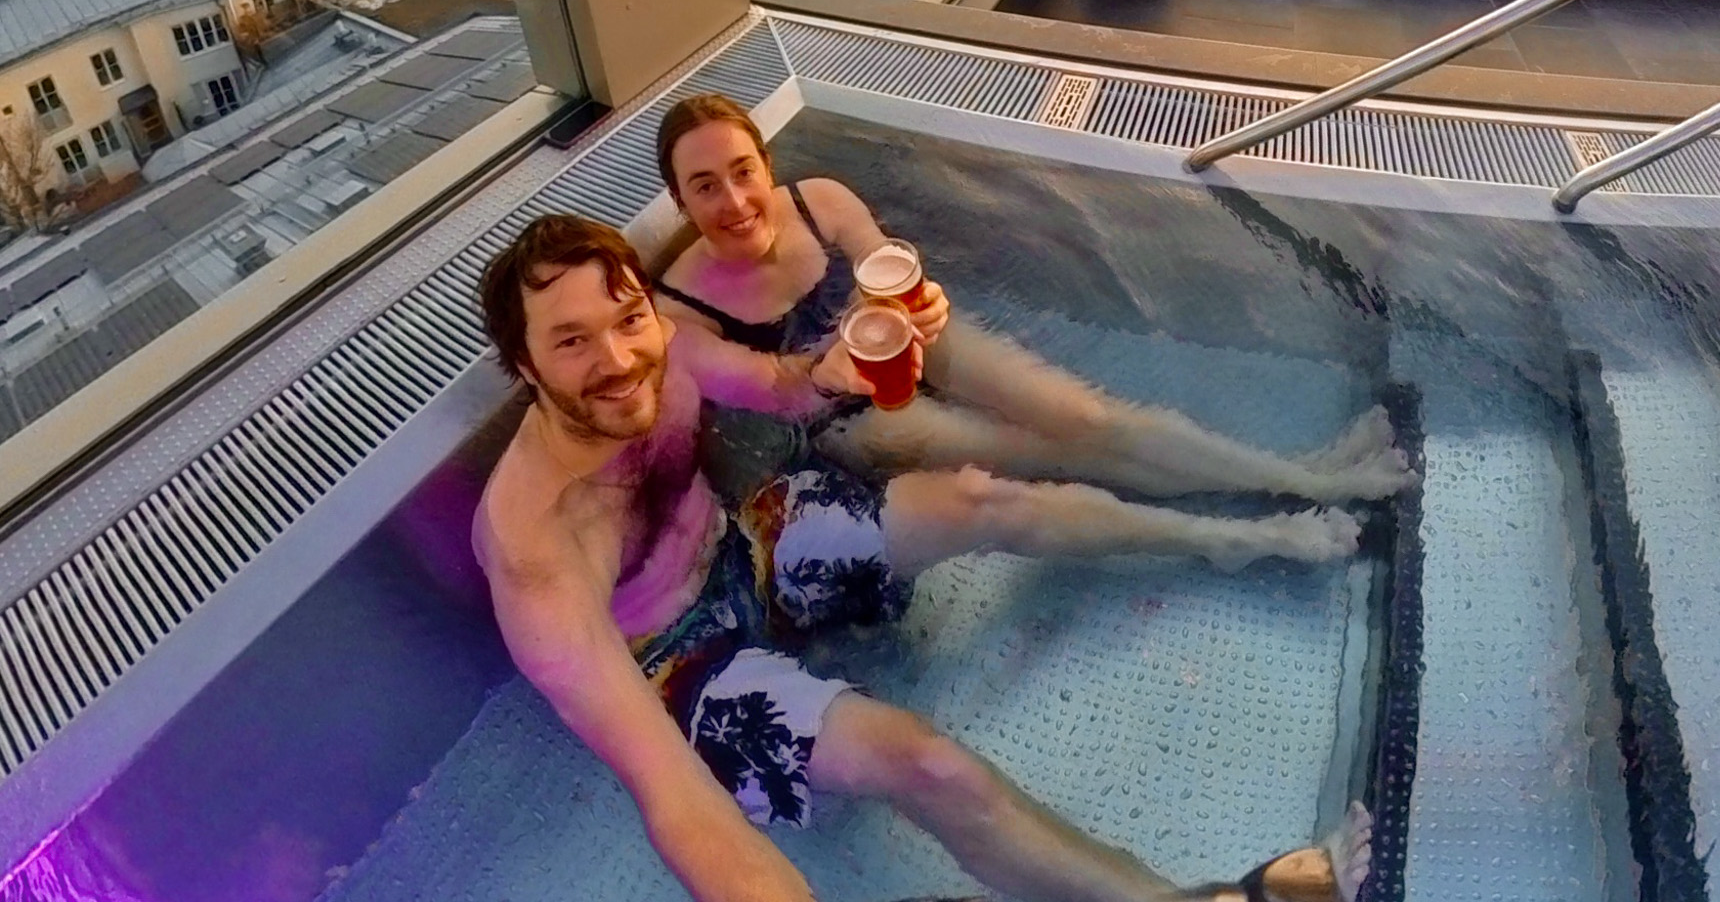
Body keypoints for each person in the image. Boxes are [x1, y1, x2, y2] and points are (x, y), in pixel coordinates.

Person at [473, 213, 1368, 902]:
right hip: (682, 666)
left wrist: (846, 363)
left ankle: (1229, 543)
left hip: (747, 544)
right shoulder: (537, 558)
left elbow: (787, 388)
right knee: (926, 762)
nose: (621, 357)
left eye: (627, 317)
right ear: (524, 366)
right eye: (572, 341)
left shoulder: (665, 348)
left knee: (984, 496)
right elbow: (671, 793)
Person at [639, 93, 1412, 506]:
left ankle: (1300, 474)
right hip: (848, 420)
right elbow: (776, 392)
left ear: (765, 163)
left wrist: (930, 305)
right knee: (1048, 454)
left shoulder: (822, 201)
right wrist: (822, 372)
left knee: (1088, 419)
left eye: (743, 171)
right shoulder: (680, 313)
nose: (736, 201)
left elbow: (889, 272)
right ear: (678, 201)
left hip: (905, 347)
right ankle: (1311, 486)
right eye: (705, 186)